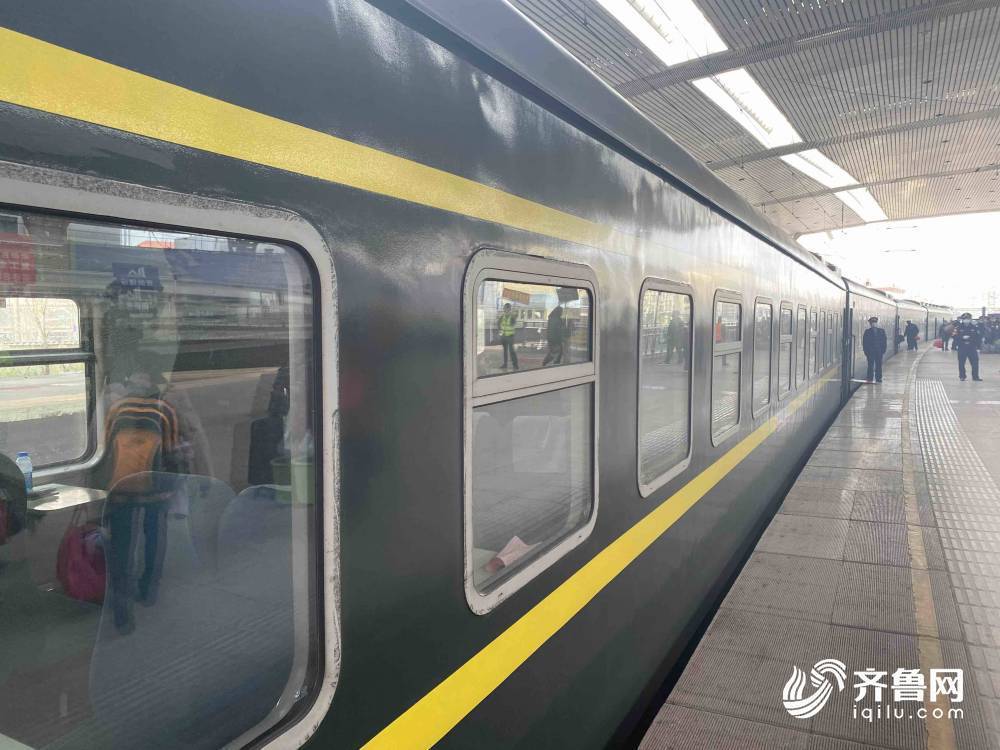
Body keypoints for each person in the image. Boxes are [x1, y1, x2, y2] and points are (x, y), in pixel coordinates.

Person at [953, 312, 983, 381]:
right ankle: (962, 376)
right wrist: (962, 337)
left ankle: (975, 377)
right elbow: (954, 337)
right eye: (965, 319)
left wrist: (978, 347)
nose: (966, 320)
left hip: (972, 348)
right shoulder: (958, 328)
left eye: (968, 319)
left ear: (970, 319)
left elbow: (978, 337)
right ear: (962, 319)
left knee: (975, 362)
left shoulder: (974, 327)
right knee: (961, 363)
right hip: (962, 347)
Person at [861, 316, 887, 383]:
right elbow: (864, 343)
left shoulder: (881, 331)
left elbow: (884, 341)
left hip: (879, 352)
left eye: (874, 322)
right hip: (870, 352)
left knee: (879, 365)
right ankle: (870, 378)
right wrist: (866, 352)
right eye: (872, 322)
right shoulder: (867, 332)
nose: (873, 324)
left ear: (876, 323)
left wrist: (883, 350)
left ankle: (878, 378)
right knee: (870, 365)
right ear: (870, 324)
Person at [497, 303, 519, 370]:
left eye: (506, 308)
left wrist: (514, 315)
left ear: (509, 309)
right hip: (504, 336)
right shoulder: (502, 316)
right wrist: (500, 334)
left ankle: (515, 365)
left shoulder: (512, 316)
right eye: (504, 308)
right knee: (505, 351)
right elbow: (498, 324)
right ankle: (505, 364)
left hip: (510, 336)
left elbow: (514, 322)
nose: (504, 309)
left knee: (512, 351)